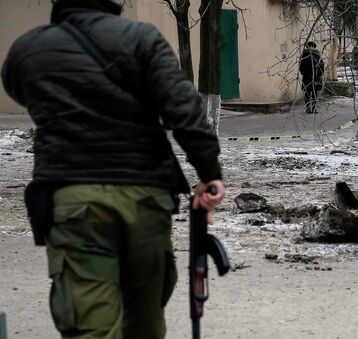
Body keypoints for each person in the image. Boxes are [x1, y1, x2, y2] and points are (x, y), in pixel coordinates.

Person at [1, 0, 225, 338]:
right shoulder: (143, 39)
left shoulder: (28, 49)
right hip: (146, 198)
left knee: (91, 326)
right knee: (145, 322)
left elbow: (20, 92)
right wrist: (210, 175)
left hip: (74, 201)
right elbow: (185, 111)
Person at [299, 41, 325, 114]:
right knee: (307, 93)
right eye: (309, 46)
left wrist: (318, 74)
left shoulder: (317, 55)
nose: (311, 48)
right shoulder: (304, 55)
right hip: (307, 77)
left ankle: (314, 108)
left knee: (314, 93)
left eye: (312, 46)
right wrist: (306, 73)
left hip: (316, 77)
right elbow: (301, 67)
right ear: (307, 47)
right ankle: (308, 109)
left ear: (314, 47)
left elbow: (322, 65)